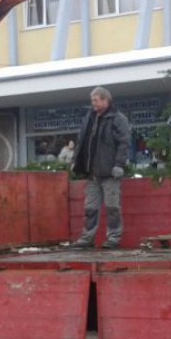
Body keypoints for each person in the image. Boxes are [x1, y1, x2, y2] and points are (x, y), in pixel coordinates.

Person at [71, 86, 131, 249]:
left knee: (112, 207)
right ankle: (87, 238)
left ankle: (113, 238)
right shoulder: (89, 118)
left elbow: (124, 144)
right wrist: (76, 161)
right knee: (90, 208)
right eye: (92, 101)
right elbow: (81, 142)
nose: (93, 104)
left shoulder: (118, 119)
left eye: (95, 100)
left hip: (110, 173)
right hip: (92, 174)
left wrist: (119, 165)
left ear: (105, 100)